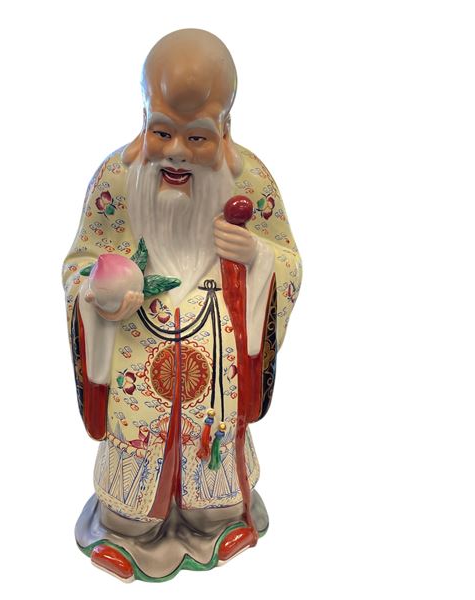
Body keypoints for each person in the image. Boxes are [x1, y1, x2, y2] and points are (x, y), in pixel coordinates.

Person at [62, 28, 302, 582]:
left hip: (214, 363)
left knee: (212, 486)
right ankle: (125, 528)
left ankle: (218, 520)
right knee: (132, 497)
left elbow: (288, 262)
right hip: (136, 358)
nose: (176, 154)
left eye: (197, 138)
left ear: (225, 128)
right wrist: (98, 292)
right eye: (162, 131)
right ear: (143, 117)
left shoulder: (251, 181)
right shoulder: (117, 179)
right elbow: (80, 261)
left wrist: (257, 257)